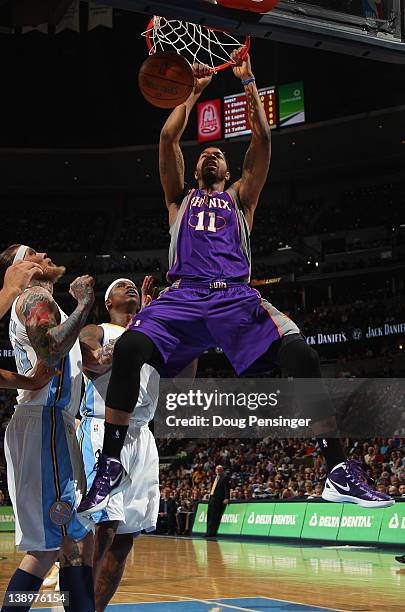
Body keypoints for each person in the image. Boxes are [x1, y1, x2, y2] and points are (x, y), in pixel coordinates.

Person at [79, 49, 392, 516]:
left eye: (219, 155)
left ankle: (337, 470)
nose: (210, 154)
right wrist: (189, 94)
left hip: (235, 297)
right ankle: (110, 463)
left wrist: (249, 83)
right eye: (205, 151)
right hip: (182, 296)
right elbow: (168, 139)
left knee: (302, 355)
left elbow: (263, 141)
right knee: (128, 350)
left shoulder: (242, 200)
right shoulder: (177, 201)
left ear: (229, 173)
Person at [0, 243, 96, 612]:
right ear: (21, 267)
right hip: (45, 424)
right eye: (34, 253)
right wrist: (85, 304)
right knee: (50, 549)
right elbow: (52, 349)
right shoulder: (33, 297)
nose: (44, 255)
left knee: (67, 543)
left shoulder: (48, 307)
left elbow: (98, 362)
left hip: (51, 425)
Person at [76, 277, 160, 612]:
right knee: (105, 528)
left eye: (133, 286)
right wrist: (135, 333)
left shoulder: (154, 335)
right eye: (120, 286)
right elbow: (91, 359)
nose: (130, 287)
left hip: (142, 436)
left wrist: (158, 323)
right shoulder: (99, 329)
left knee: (124, 541)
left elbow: (185, 379)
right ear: (107, 302)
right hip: (103, 428)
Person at [206, 466, 229, 538]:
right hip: (211, 498)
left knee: (214, 517)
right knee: (209, 515)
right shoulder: (214, 478)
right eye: (216, 469)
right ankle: (208, 532)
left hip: (218, 499)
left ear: (222, 470)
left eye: (219, 469)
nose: (217, 471)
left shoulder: (224, 477)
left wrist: (227, 498)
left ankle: (212, 533)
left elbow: (226, 488)